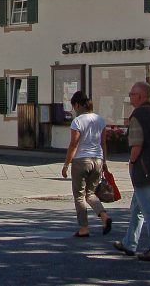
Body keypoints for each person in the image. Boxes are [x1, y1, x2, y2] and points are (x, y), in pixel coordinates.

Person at [113, 81, 150, 262]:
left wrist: (131, 162)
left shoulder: (137, 115)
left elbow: (137, 144)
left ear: (140, 96)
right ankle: (129, 243)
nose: (130, 96)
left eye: (132, 94)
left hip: (143, 168)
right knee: (137, 207)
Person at [61, 91, 112, 238]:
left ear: (77, 105)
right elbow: (103, 143)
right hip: (97, 159)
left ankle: (84, 228)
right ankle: (104, 217)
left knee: (79, 196)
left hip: (81, 160)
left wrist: (66, 164)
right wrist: (105, 161)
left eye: (74, 106)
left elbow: (73, 144)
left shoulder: (77, 121)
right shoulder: (100, 120)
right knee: (90, 194)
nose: (74, 109)